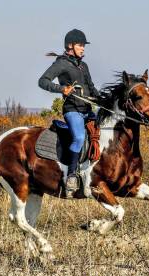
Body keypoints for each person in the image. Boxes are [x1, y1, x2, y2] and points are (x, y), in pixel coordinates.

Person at [38, 28, 100, 196]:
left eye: (83, 46)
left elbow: (91, 88)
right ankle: (71, 175)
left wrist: (102, 98)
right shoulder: (61, 63)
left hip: (88, 110)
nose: (83, 48)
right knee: (79, 137)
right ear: (70, 46)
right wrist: (61, 89)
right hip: (72, 110)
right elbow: (42, 81)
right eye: (80, 45)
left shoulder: (83, 65)